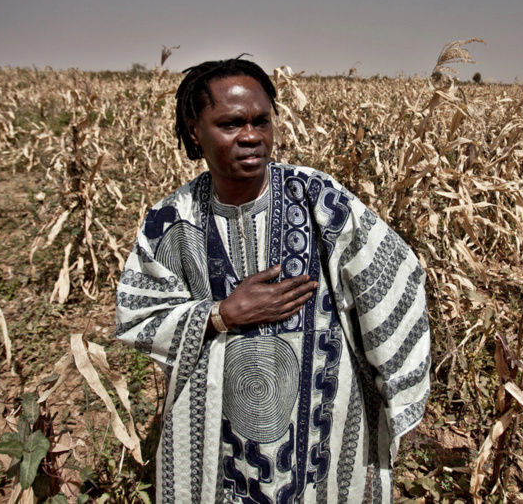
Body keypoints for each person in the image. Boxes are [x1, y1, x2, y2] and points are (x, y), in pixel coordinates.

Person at [115, 58, 430, 503]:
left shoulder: (319, 198)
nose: (251, 136)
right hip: (214, 428)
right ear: (193, 130)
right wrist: (223, 314)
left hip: (324, 428)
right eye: (230, 123)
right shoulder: (171, 221)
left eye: (261, 121)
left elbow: (393, 278)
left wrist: (397, 390)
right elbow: (138, 315)